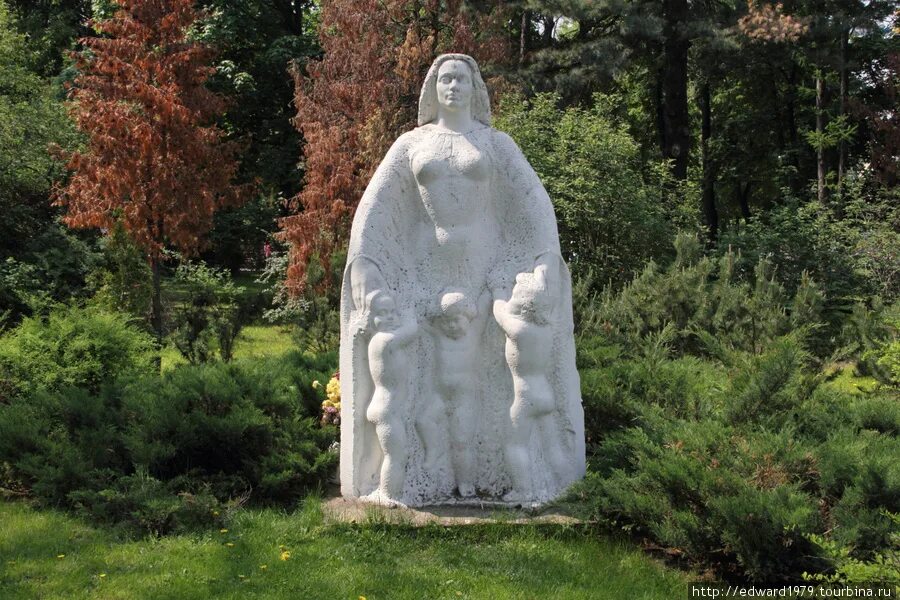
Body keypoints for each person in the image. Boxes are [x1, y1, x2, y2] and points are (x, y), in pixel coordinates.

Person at [339, 54, 584, 504]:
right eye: (445, 78)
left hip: (485, 269)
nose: (452, 86)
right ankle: (419, 479)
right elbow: (375, 205)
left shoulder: (496, 144)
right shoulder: (411, 144)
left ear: (476, 88)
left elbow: (533, 199)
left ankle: (494, 478)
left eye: (461, 79)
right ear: (433, 88)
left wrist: (547, 256)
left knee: (483, 377)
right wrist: (365, 262)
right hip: (424, 269)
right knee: (425, 379)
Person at [492, 272, 570, 502]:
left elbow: (499, 310)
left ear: (522, 301)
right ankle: (565, 486)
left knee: (514, 445)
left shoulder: (517, 329)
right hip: (545, 395)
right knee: (552, 447)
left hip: (526, 397)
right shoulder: (546, 329)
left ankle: (523, 492)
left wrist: (497, 289)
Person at [362, 291, 419, 506]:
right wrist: (410, 306)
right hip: (385, 410)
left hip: (391, 409)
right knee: (396, 455)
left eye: (393, 312)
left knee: (398, 453)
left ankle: (389, 493)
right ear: (371, 318)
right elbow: (412, 330)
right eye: (382, 313)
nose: (390, 317)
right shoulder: (383, 340)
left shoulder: (387, 339)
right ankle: (387, 495)